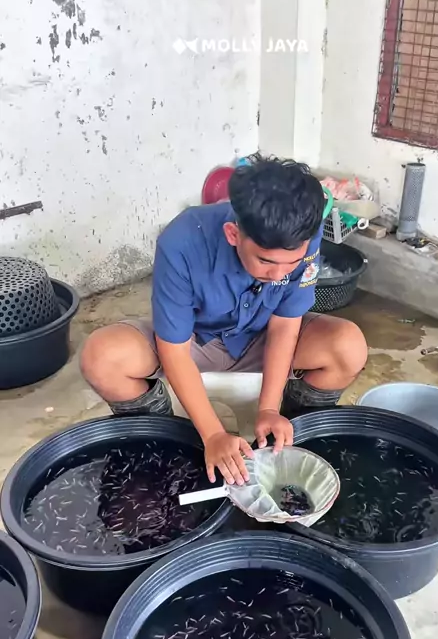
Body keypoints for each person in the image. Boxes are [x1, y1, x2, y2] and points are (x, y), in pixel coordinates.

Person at [81, 157, 367, 487]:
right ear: (233, 234)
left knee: (348, 346)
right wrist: (213, 434)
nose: (280, 274)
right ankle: (168, 443)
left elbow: (284, 326)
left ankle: (290, 438)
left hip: (262, 338)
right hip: (194, 342)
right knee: (102, 357)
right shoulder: (181, 241)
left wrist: (269, 410)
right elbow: (174, 350)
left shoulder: (304, 231)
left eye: (292, 262)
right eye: (265, 261)